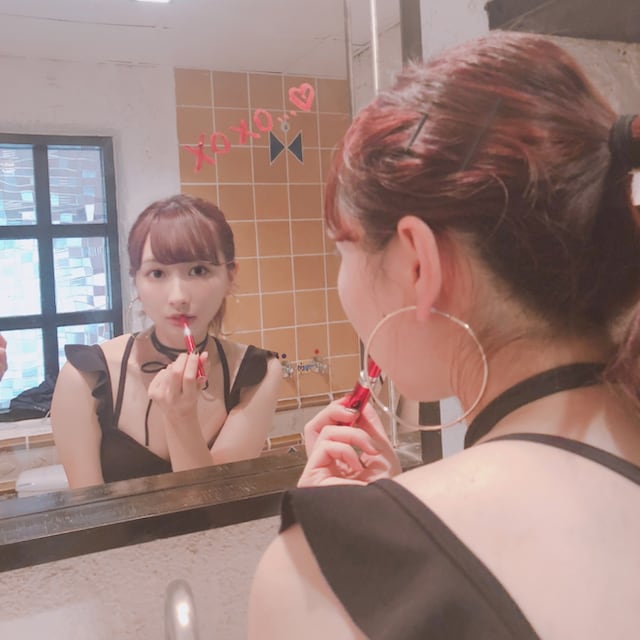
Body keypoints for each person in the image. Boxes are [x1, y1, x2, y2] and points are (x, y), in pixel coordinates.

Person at [248, 32, 640, 639]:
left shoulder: (321, 577)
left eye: (342, 250)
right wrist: (404, 512)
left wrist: (374, 542)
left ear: (417, 263)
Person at [51, 195, 282, 488]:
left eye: (198, 270)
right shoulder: (85, 377)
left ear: (229, 276)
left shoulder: (256, 373)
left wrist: (181, 418)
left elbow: (215, 504)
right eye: (157, 273)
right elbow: (89, 511)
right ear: (136, 281)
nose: (178, 297)